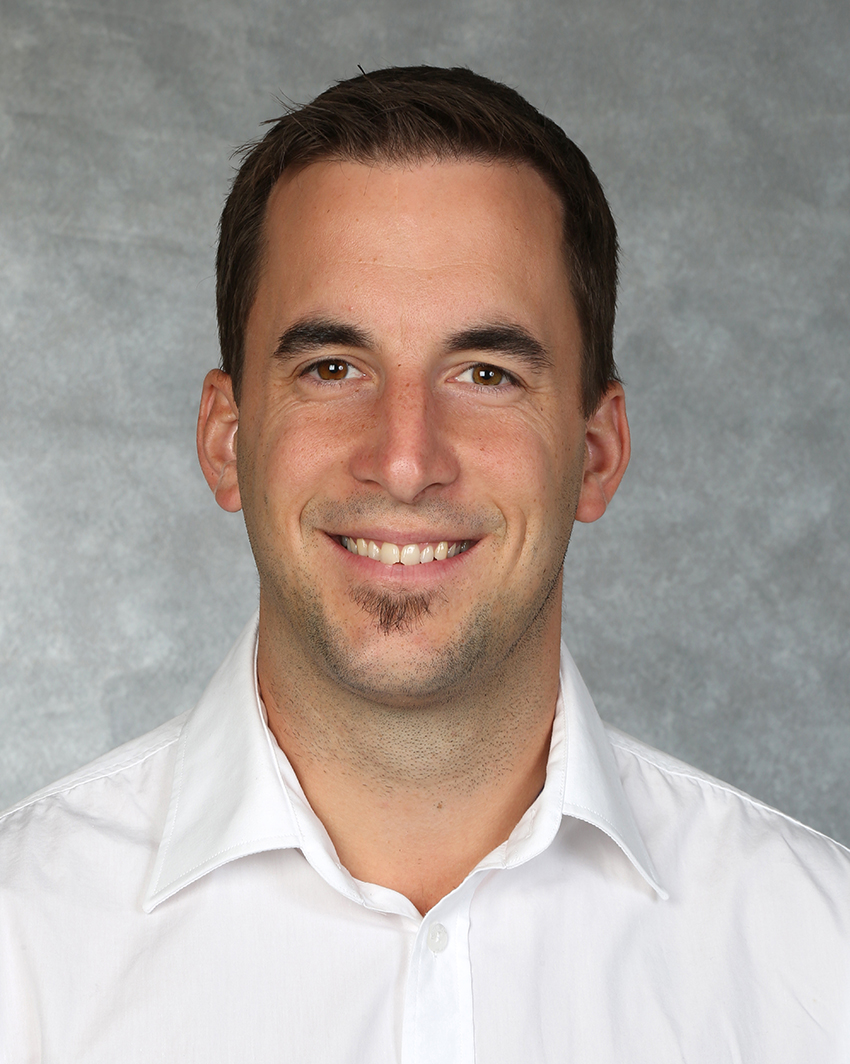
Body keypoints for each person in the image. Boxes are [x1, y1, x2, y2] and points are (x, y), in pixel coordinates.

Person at [1, 66, 848, 1063]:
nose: (404, 460)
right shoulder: (25, 945)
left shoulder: (817, 959)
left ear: (596, 452)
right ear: (227, 439)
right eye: (332, 368)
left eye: (486, 373)